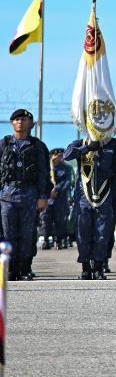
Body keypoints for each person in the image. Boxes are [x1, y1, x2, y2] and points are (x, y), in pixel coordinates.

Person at [64, 134, 116, 279]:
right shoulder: (81, 142)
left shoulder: (115, 146)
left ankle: (99, 267)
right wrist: (87, 148)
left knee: (102, 233)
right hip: (83, 197)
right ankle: (86, 267)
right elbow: (67, 155)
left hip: (106, 196)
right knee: (83, 233)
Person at [0, 109, 49, 280]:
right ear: (12, 123)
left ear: (31, 124)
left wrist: (43, 196)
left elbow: (44, 173)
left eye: (24, 119)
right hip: (7, 197)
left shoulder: (37, 146)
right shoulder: (4, 144)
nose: (20, 122)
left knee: (28, 234)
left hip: (29, 195)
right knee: (7, 234)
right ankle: (10, 269)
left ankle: (25, 268)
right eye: (16, 119)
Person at [42, 148, 73, 250]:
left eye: (61, 155)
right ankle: (46, 240)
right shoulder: (46, 168)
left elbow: (67, 182)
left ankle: (59, 241)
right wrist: (49, 191)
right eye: (58, 156)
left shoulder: (66, 168)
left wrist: (56, 190)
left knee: (60, 221)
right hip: (48, 199)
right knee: (46, 221)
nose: (60, 158)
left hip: (60, 199)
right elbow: (42, 180)